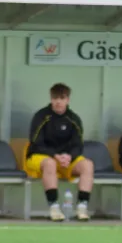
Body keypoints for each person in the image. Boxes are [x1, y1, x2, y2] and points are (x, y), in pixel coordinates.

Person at [25, 83, 94, 221]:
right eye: (55, 98)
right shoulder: (41, 116)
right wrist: (55, 155)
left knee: (87, 165)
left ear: (67, 100)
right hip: (40, 157)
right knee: (50, 163)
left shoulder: (74, 119)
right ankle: (54, 207)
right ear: (51, 99)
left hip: (65, 159)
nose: (58, 102)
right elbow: (36, 143)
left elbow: (78, 145)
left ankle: (82, 207)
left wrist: (69, 156)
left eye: (62, 98)